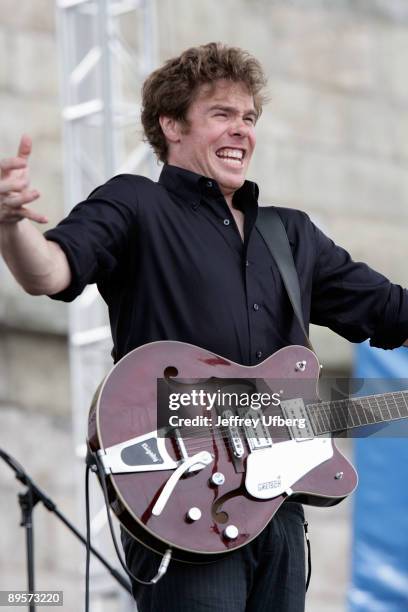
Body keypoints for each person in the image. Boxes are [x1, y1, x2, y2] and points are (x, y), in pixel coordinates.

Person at [1, 42, 407, 612]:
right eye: (221, 114)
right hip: (184, 495)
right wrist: (11, 225)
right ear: (171, 124)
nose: (240, 130)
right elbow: (49, 270)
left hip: (280, 508)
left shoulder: (290, 235)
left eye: (248, 118)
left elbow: (391, 310)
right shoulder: (135, 203)